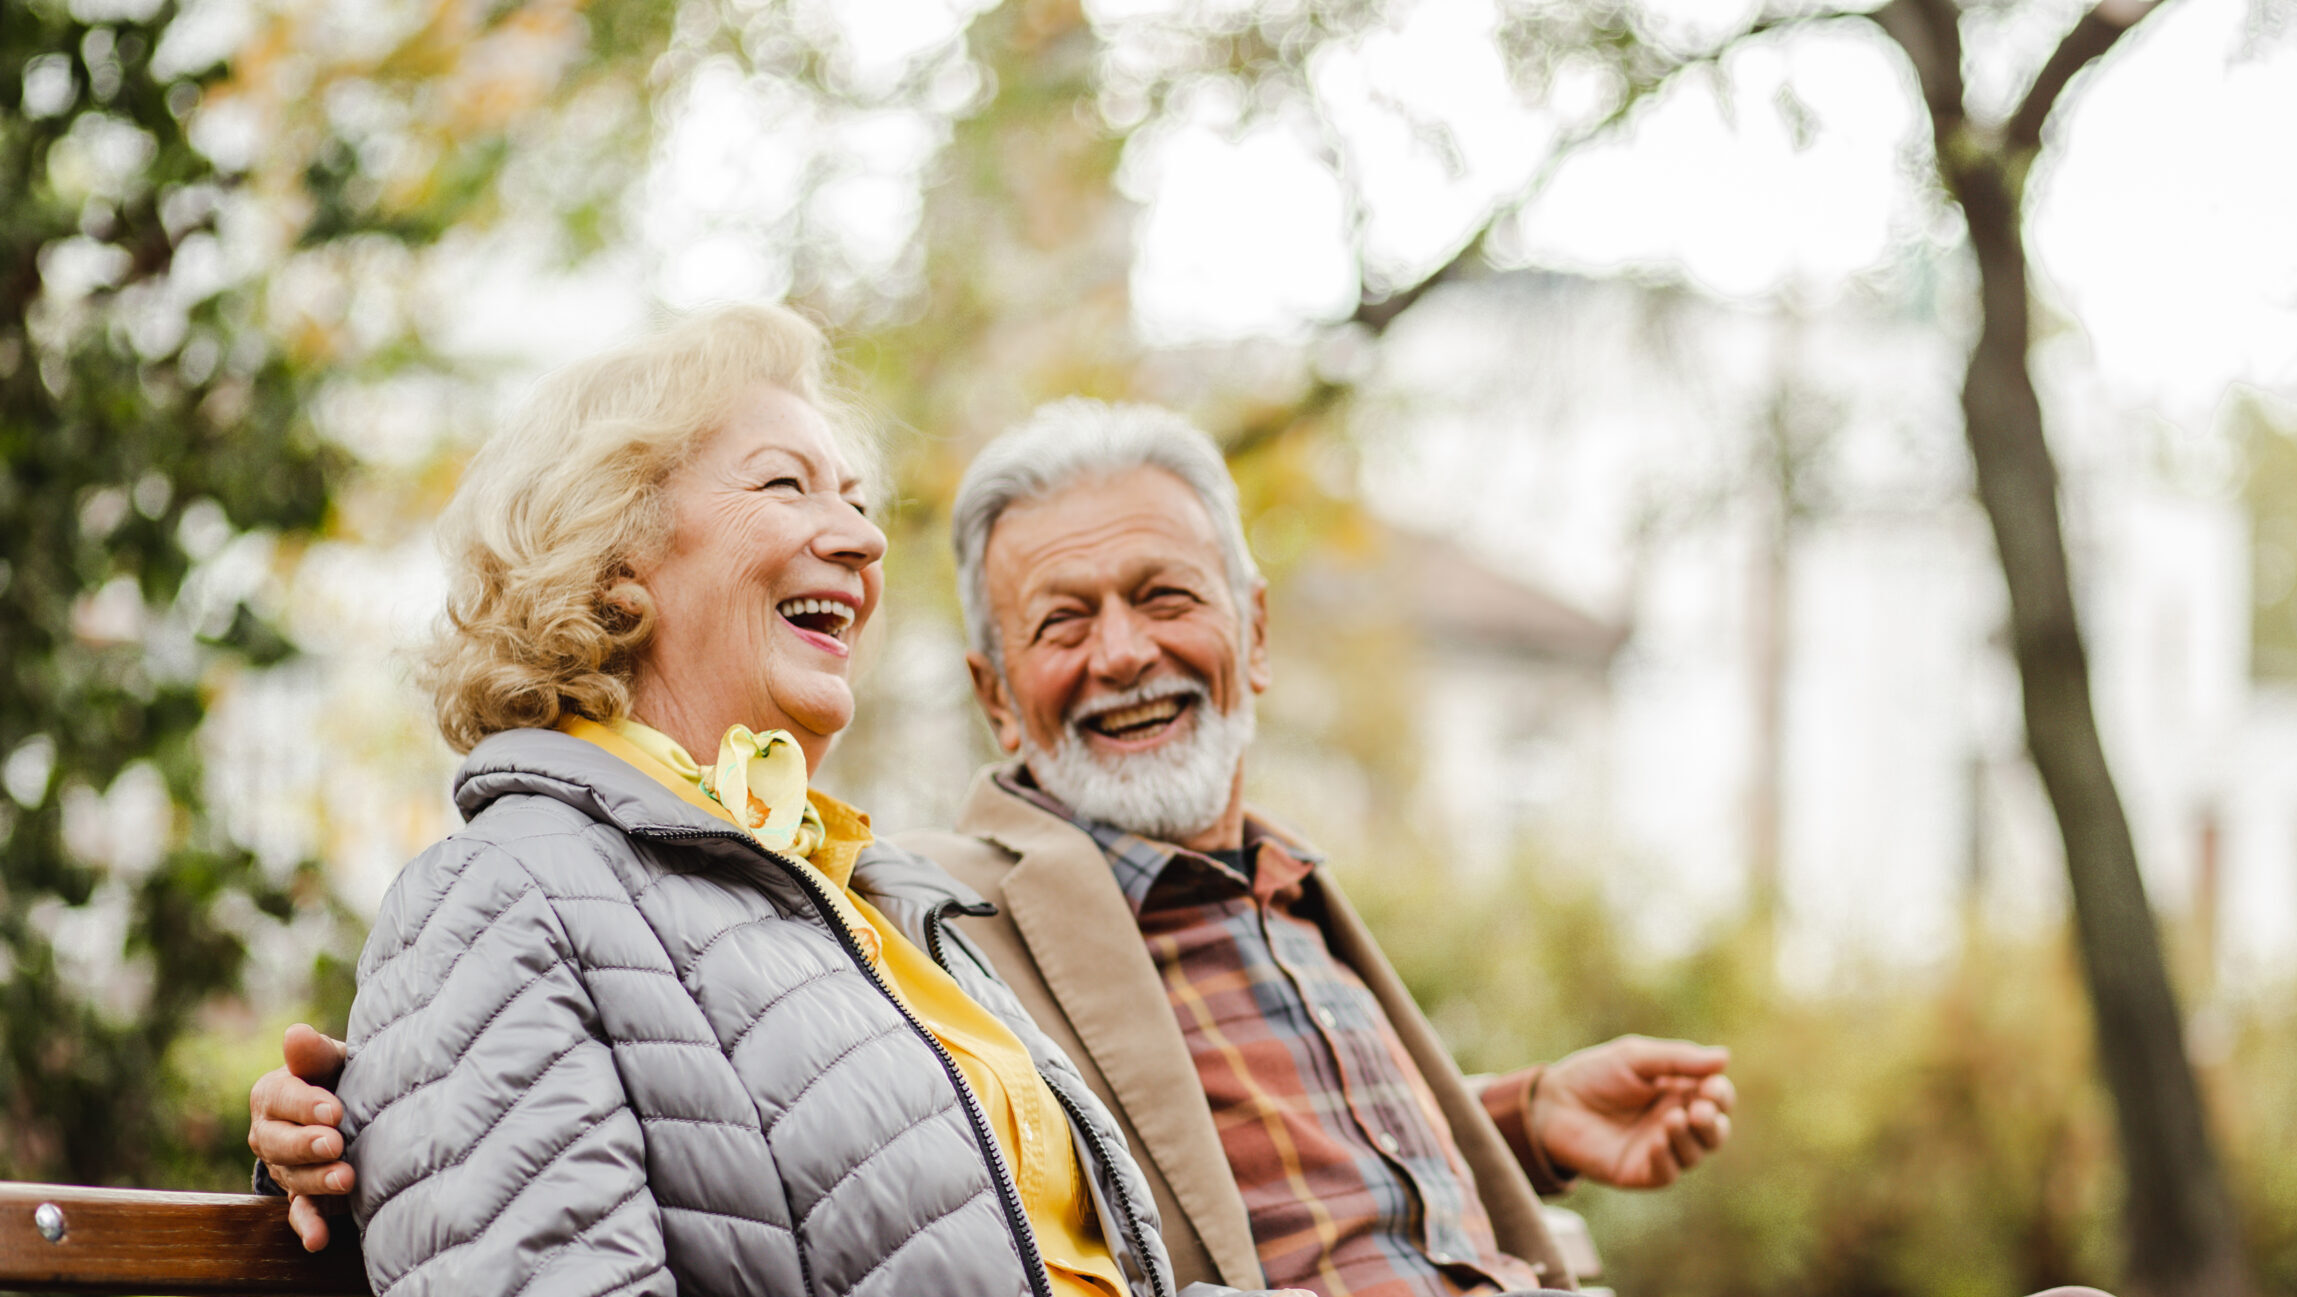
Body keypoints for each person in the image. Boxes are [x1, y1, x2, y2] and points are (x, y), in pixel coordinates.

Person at [259, 398, 1727, 1295]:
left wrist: (1521, 1118)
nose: (1125, 655)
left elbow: (1231, 1135)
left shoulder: (1292, 886)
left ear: (1257, 634)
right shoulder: (919, 911)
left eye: (1166, 596)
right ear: (990, 693)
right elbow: (602, 1060)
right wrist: (334, 1117)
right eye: (1062, 622)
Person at [287, 309, 1298, 1297]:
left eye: (856, 500)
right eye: (787, 484)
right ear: (615, 554)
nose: (862, 539)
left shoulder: (866, 898)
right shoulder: (501, 893)